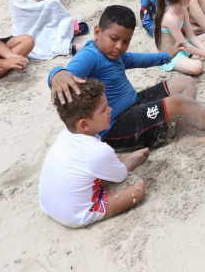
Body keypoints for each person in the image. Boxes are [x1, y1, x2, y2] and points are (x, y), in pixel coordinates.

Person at [49, 5, 205, 149]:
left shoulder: (113, 53)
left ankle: (184, 136)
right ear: (97, 32)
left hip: (134, 105)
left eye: (126, 41)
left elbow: (139, 59)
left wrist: (167, 55)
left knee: (185, 83)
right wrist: (57, 73)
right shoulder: (90, 55)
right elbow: (66, 74)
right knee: (179, 103)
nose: (119, 46)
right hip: (115, 126)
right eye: (114, 39)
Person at [38, 79, 149, 229]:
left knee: (97, 168)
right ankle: (123, 162)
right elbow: (121, 177)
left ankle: (119, 163)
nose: (110, 110)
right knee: (137, 187)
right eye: (103, 110)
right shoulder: (97, 150)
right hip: (74, 216)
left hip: (48, 206)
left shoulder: (64, 135)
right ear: (84, 124)